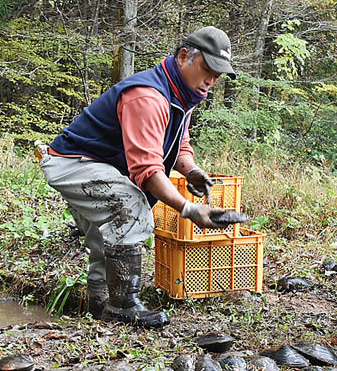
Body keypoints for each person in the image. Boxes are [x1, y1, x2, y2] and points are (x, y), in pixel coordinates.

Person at [40, 26, 236, 328]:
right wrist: (189, 209)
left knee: (106, 230)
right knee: (130, 207)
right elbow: (147, 172)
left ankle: (100, 303)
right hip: (72, 163)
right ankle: (124, 306)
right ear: (185, 56)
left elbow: (179, 144)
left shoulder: (183, 96)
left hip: (99, 164)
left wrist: (192, 170)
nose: (211, 80)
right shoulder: (148, 96)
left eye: (218, 75)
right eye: (207, 69)